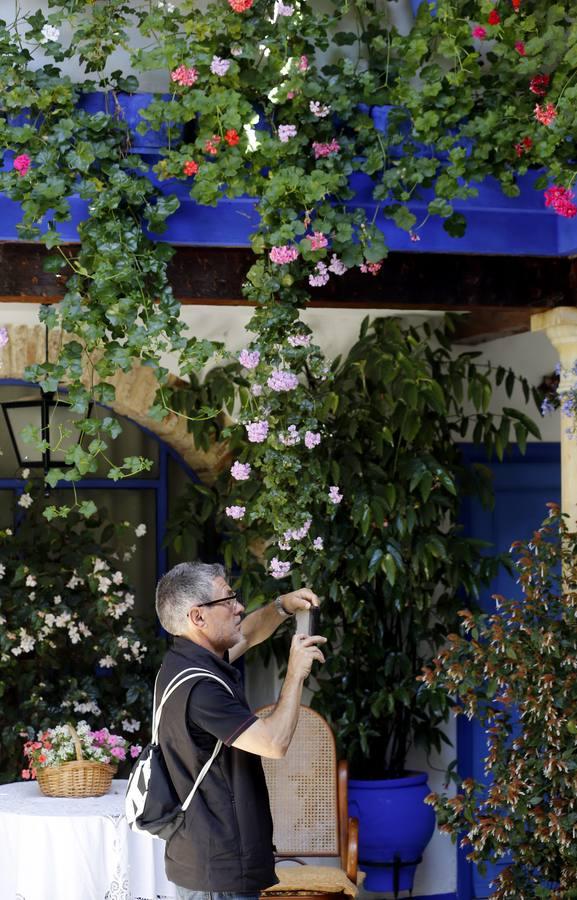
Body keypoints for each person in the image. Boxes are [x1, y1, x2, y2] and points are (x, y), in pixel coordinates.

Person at [154, 560, 326, 900]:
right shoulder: (201, 689)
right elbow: (273, 742)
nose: (239, 607)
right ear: (198, 617)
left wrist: (282, 606)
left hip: (209, 861)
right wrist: (295, 673)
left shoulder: (187, 661)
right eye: (228, 600)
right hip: (218, 872)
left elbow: (246, 633)